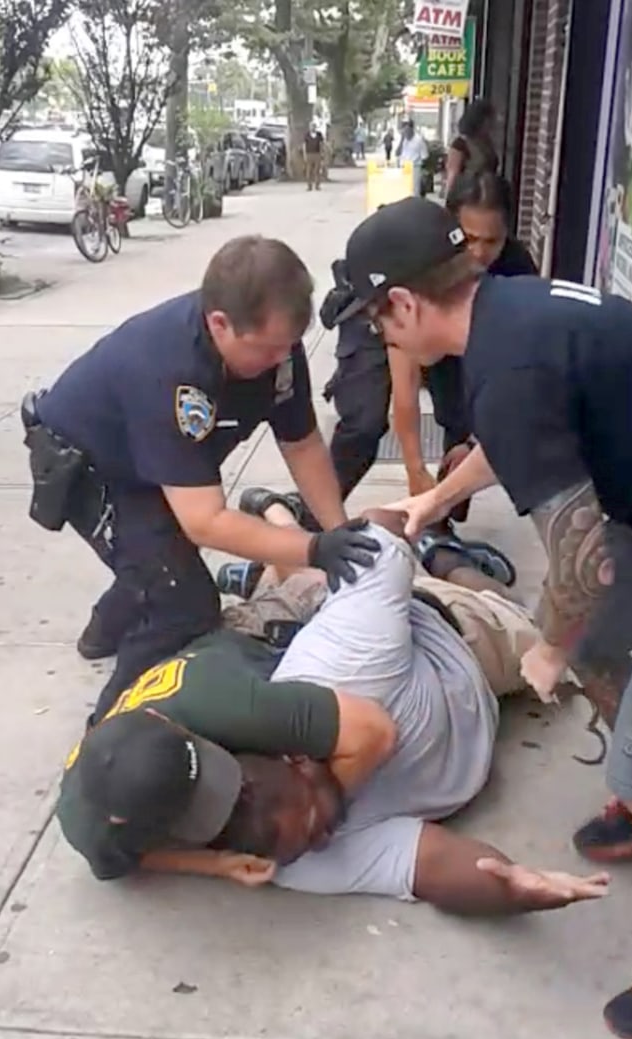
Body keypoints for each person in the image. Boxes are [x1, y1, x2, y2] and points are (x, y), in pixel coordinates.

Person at [332, 192, 632, 1039]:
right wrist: (435, 496)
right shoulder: (513, 313)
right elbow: (525, 438)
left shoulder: (502, 369)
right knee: (606, 649)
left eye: (374, 320)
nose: (379, 337)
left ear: (404, 303)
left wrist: (546, 646)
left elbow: (584, 565)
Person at [59, 492, 609, 919]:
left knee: (527, 624)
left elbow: (371, 543)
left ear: (297, 755)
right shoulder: (288, 853)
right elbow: (433, 867)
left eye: (317, 822)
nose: (322, 839)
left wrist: (414, 514)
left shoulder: (328, 671)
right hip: (274, 649)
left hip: (448, 635)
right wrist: (512, 888)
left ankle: (433, 550)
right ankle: (276, 540)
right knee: (296, 590)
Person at [22, 236, 379, 722]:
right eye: (269, 349)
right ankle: (111, 738)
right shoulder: (170, 370)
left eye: (288, 346)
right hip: (91, 465)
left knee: (159, 560)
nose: (282, 360)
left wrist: (336, 529)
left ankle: (107, 627)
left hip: (150, 461)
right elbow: (205, 521)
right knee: (182, 603)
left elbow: (302, 443)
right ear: (219, 324)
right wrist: (312, 550)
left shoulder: (277, 348)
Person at [317, 256, 515, 587]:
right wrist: (426, 484)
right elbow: (404, 395)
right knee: (363, 424)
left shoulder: (508, 350)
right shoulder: (481, 328)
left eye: (383, 329)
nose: (480, 253)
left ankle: (438, 539)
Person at [388, 172, 537, 515]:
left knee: (471, 438)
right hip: (419, 344)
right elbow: (406, 382)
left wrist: (476, 441)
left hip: (485, 354)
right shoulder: (420, 266)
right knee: (366, 422)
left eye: (492, 241)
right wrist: (414, 468)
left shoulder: (517, 268)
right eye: (469, 238)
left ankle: (444, 513)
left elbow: (522, 373)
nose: (480, 253)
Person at [444, 98, 499, 201]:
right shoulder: (461, 144)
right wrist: (449, 202)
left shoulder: (487, 142)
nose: (493, 122)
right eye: (490, 119)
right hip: (469, 197)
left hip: (488, 195)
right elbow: (453, 174)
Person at [396, 120, 429, 193]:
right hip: (404, 167)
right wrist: (401, 141)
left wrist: (423, 170)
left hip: (415, 167)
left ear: (411, 129)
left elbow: (425, 156)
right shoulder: (402, 140)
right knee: (403, 190)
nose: (406, 132)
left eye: (407, 130)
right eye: (404, 130)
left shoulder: (419, 140)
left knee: (414, 190)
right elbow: (397, 153)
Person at [304, 125, 324, 190]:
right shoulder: (307, 135)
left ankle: (317, 186)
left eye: (314, 127)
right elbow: (304, 145)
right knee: (309, 170)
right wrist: (305, 154)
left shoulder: (319, 134)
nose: (313, 128)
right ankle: (309, 186)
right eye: (311, 127)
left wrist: (322, 153)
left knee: (317, 170)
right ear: (309, 128)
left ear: (315, 128)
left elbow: (321, 144)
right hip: (309, 154)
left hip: (317, 154)